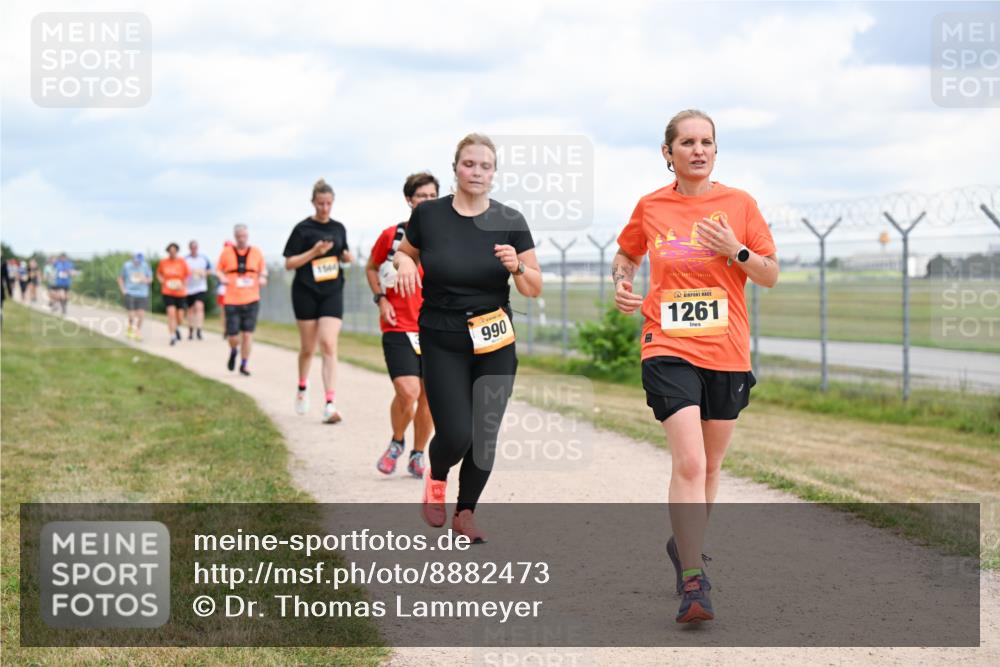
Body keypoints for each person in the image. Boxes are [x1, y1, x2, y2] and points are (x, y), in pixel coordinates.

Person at [612, 109, 779, 624]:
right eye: (687, 142)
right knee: (688, 463)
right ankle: (693, 579)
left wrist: (737, 250)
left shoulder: (740, 204)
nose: (698, 150)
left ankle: (684, 543)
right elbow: (626, 255)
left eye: (706, 141)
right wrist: (621, 282)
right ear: (668, 153)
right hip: (666, 345)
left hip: (726, 351)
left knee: (709, 466)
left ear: (715, 150)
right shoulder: (651, 206)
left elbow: (769, 274)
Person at [394, 133, 542, 543]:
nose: (477, 172)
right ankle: (437, 476)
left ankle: (465, 513)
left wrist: (516, 267)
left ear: (494, 173)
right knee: (458, 433)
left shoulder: (510, 221)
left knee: (485, 433)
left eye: (485, 166)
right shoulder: (429, 215)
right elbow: (405, 252)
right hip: (442, 336)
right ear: (455, 168)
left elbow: (533, 287)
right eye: (469, 164)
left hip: (495, 339)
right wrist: (404, 263)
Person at [366, 172, 438, 478]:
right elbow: (371, 267)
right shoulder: (392, 236)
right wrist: (381, 298)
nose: (427, 201)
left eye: (432, 196)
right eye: (421, 196)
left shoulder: (445, 239)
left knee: (429, 398)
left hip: (434, 328)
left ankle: (418, 453)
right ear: (409, 200)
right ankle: (397, 441)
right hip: (397, 326)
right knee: (408, 391)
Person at [282, 179, 353, 423]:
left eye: (328, 203)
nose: (324, 208)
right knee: (308, 348)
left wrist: (346, 257)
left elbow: (343, 253)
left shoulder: (339, 228)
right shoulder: (302, 229)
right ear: (313, 202)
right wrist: (314, 252)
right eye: (320, 203)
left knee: (328, 344)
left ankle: (330, 404)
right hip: (306, 291)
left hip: (332, 291)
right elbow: (289, 263)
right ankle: (302, 386)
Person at [216, 224, 267, 375]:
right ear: (235, 237)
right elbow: (218, 270)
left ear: (247, 236)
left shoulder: (256, 252)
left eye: (244, 236)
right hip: (232, 299)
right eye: (239, 237)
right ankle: (233, 351)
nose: (241, 239)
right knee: (233, 336)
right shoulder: (226, 252)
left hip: (252, 299)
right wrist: (222, 277)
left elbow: (263, 270)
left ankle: (244, 364)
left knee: (247, 334)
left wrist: (263, 277)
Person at [157, 243, 190, 345]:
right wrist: (161, 280)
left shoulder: (182, 262)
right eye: (170, 251)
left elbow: (188, 275)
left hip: (180, 292)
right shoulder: (163, 262)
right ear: (168, 252)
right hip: (167, 291)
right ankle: (172, 336)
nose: (172, 253)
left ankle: (177, 328)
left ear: (177, 251)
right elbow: (159, 273)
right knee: (171, 314)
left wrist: (183, 284)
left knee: (180, 317)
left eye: (174, 251)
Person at [117, 252, 152, 341]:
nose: (137, 263)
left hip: (143, 293)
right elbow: (120, 278)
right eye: (136, 261)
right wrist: (123, 290)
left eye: (139, 261)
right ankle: (130, 327)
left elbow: (150, 279)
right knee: (131, 315)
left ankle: (137, 332)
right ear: (132, 259)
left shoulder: (146, 266)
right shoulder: (126, 266)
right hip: (130, 292)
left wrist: (145, 280)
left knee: (141, 314)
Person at [184, 240, 212, 340]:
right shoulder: (185, 259)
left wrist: (204, 273)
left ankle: (199, 329)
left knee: (199, 307)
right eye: (192, 247)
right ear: (189, 248)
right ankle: (191, 330)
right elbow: (182, 272)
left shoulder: (203, 258)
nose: (194, 249)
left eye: (195, 247)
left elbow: (210, 270)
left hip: (201, 287)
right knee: (190, 310)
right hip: (189, 288)